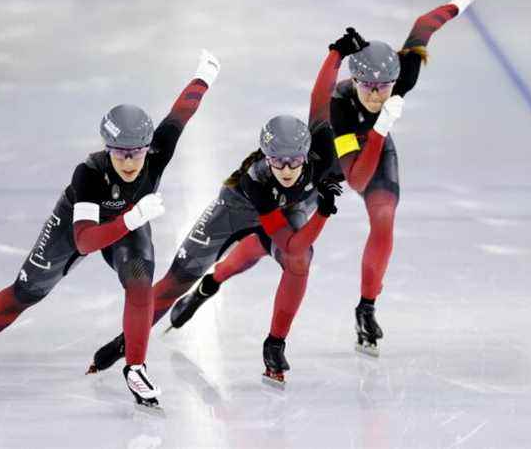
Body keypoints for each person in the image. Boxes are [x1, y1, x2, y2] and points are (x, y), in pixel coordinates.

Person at [0, 50, 221, 409]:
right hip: (77, 225)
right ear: (107, 149)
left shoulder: (158, 151)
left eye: (135, 152)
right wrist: (133, 218)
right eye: (119, 153)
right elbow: (84, 241)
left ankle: (135, 368)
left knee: (140, 283)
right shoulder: (89, 173)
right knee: (25, 293)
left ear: (148, 147)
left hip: (127, 221)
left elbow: (182, 111)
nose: (128, 161)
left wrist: (204, 76)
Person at [88, 29, 367, 385]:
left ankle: (274, 344)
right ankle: (126, 339)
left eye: (293, 162)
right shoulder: (256, 179)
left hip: (291, 209)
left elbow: (319, 98)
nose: (285, 170)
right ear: (265, 157)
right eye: (276, 162)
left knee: (300, 261)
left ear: (306, 154)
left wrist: (335, 53)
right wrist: (325, 212)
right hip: (236, 206)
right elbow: (287, 239)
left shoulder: (322, 150)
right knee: (177, 280)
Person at [330, 0, 488, 356]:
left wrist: (460, 1)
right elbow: (354, 179)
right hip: (334, 153)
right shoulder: (340, 103)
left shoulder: (405, 74)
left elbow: (423, 26)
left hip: (376, 148)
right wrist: (381, 126)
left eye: (384, 86)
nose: (375, 93)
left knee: (383, 222)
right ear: (354, 79)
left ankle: (366, 309)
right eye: (366, 85)